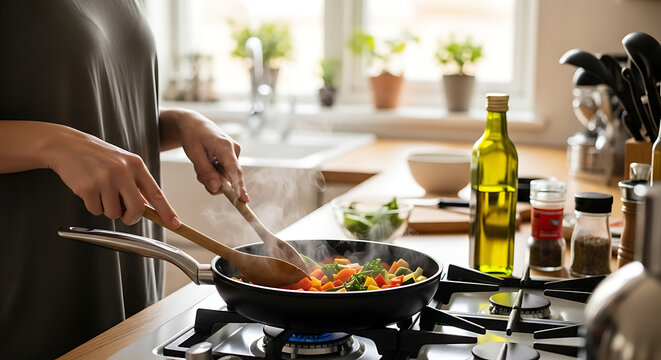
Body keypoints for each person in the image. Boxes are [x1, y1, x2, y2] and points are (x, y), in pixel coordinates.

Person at [0, 1, 249, 358]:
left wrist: (179, 123)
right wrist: (51, 144)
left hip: (133, 297)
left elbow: (86, 108)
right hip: (33, 293)